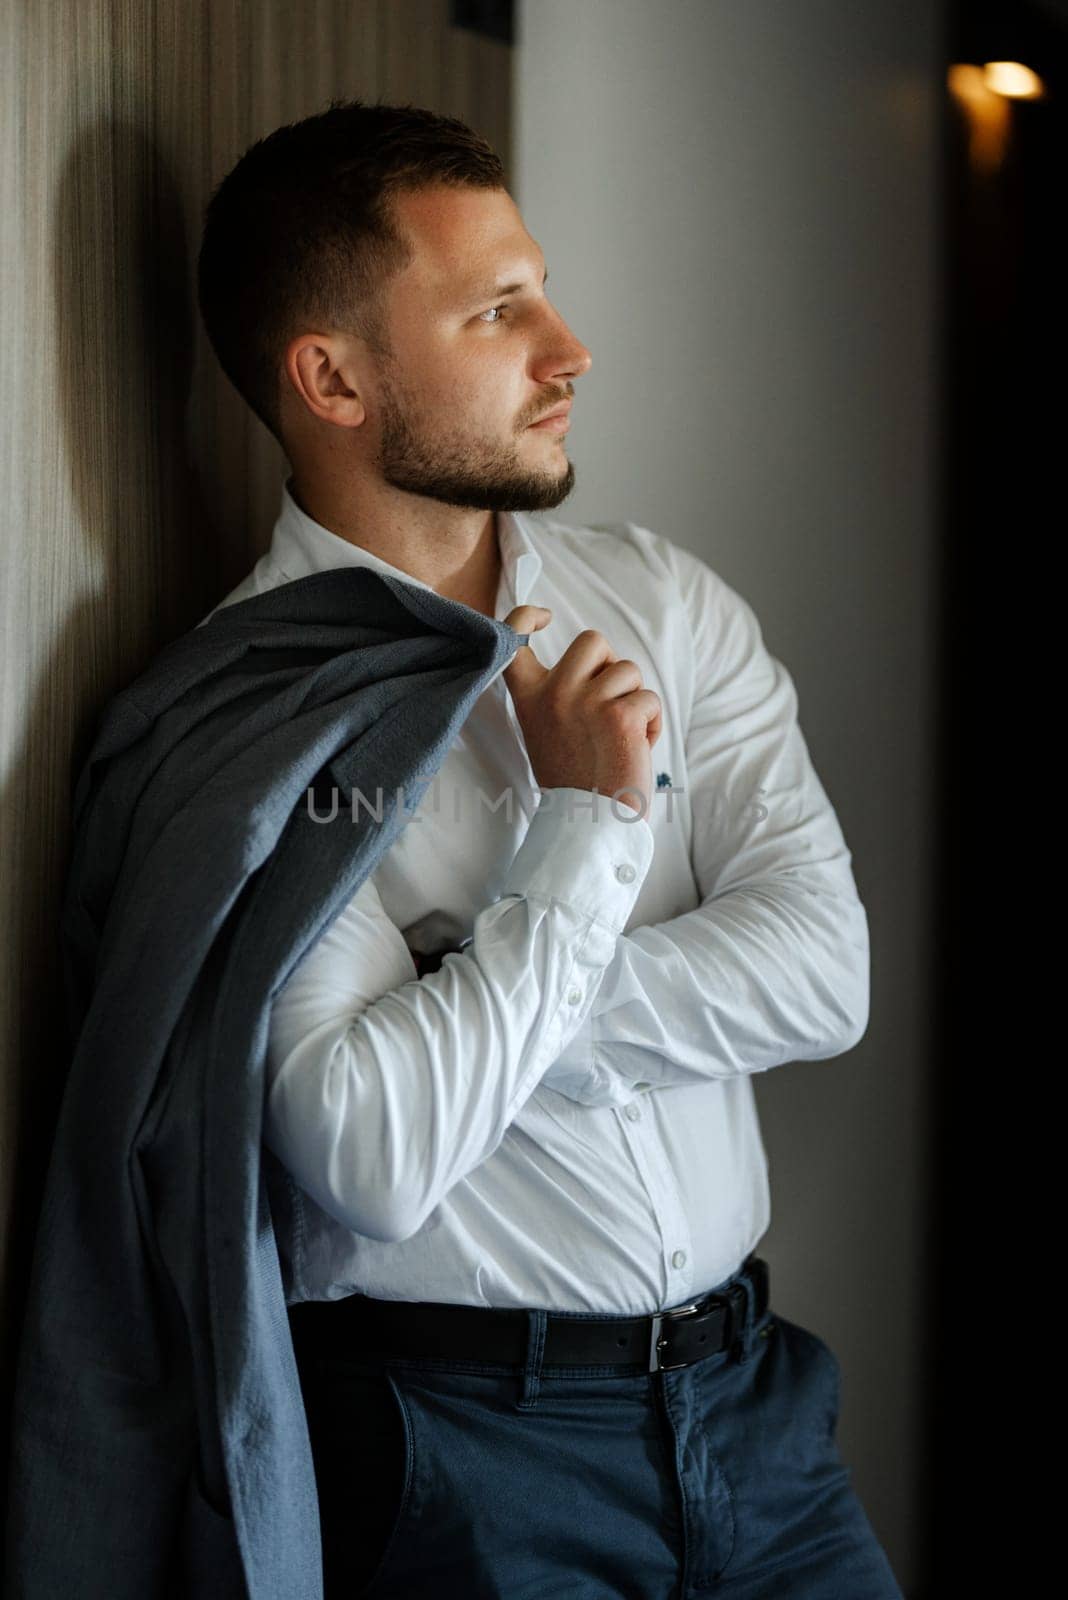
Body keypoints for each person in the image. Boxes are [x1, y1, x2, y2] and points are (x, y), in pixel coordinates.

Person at [195, 98, 904, 1599]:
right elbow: (377, 1161)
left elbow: (825, 976)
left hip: (758, 1420)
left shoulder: (665, 605)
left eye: (545, 291)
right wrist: (583, 831)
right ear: (331, 377)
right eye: (500, 311)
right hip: (462, 1462)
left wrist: (475, 1000)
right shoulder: (256, 723)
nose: (569, 350)